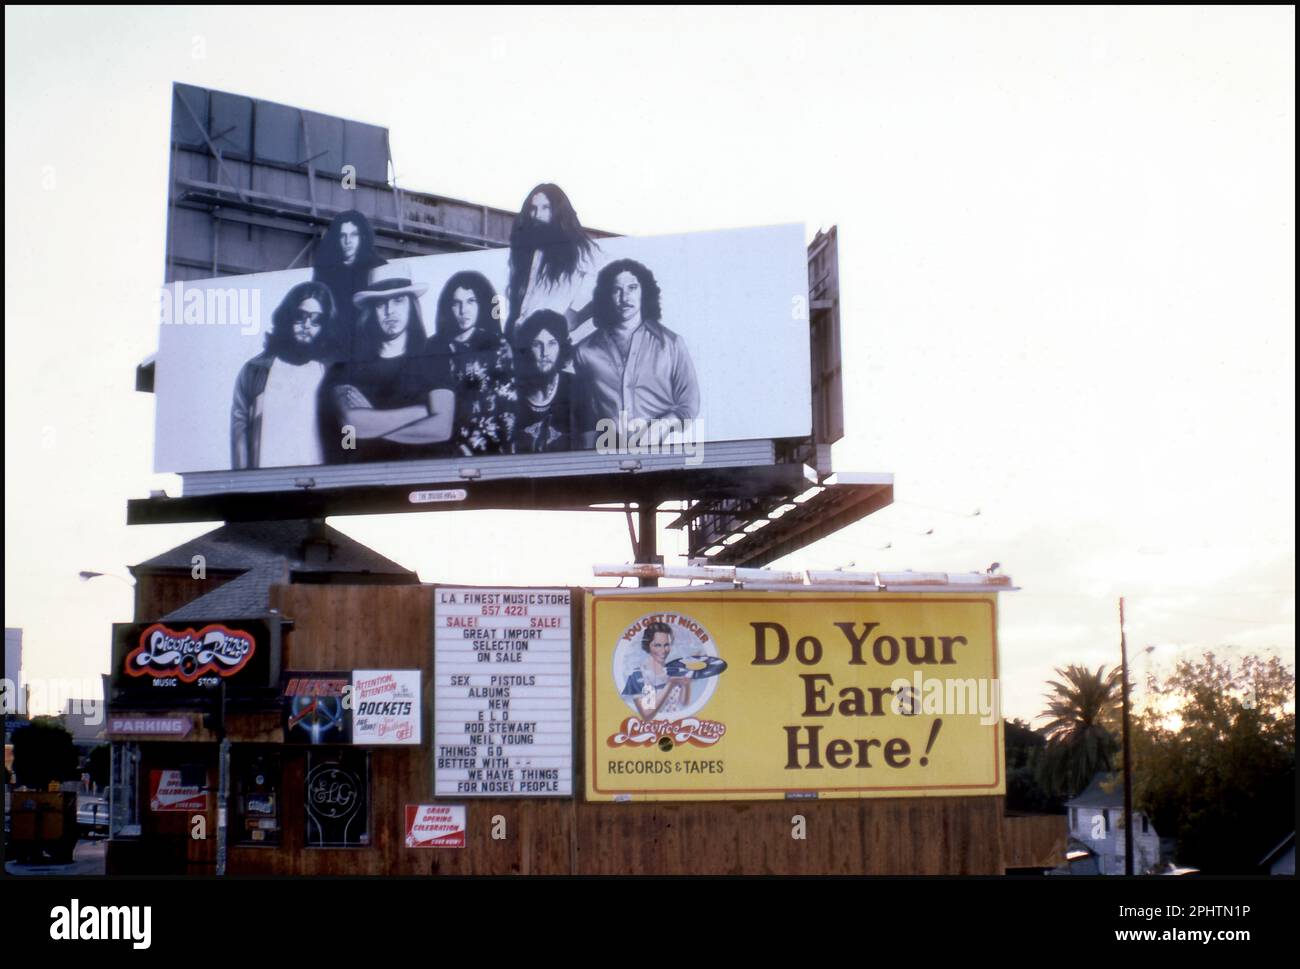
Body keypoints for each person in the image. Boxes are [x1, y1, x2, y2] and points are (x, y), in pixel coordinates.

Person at [321, 262, 454, 463]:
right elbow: (353, 424)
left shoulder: (435, 355)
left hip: (424, 476)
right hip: (366, 481)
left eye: (398, 300)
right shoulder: (346, 366)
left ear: (411, 305)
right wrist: (422, 412)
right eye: (381, 303)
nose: (390, 311)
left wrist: (374, 422)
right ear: (371, 310)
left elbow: (442, 429)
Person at [573, 258, 700, 446]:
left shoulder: (671, 344)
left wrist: (662, 426)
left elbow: (689, 404)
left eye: (632, 288)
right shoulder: (584, 351)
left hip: (663, 453)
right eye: (616, 290)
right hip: (607, 457)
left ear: (644, 291)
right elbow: (584, 415)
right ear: (605, 296)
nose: (625, 298)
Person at [231, 280, 343, 469]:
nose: (307, 325)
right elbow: (239, 434)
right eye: (301, 316)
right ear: (287, 316)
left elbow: (347, 431)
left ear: (325, 326)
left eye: (317, 320)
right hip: (268, 488)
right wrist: (243, 484)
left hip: (319, 487)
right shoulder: (255, 370)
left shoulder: (331, 374)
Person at [430, 271, 516, 455]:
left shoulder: (497, 346)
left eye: (471, 301)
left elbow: (507, 410)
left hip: (488, 450)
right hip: (440, 448)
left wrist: (470, 448)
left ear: (482, 303)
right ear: (448, 307)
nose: (463, 310)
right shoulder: (433, 347)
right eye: (456, 303)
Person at [503, 183, 600, 343]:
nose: (536, 215)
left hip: (551, 344)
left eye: (545, 208)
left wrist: (577, 318)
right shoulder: (534, 250)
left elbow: (608, 288)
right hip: (524, 342)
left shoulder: (583, 250)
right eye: (532, 209)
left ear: (558, 211)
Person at [312, 209, 386, 352]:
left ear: (362, 237)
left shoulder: (377, 266)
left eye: (353, 235)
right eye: (343, 236)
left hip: (369, 343)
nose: (348, 241)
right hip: (333, 343)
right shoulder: (325, 269)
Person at [512, 309, 577, 453]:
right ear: (527, 348)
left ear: (562, 347)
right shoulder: (511, 392)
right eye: (537, 344)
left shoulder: (576, 386)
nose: (545, 352)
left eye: (552, 343)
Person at [620, 622, 692, 720]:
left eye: (666, 645)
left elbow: (684, 703)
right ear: (647, 645)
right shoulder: (640, 675)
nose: (663, 650)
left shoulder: (674, 670)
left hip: (676, 727)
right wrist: (670, 684)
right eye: (657, 645)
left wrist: (687, 685)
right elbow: (647, 714)